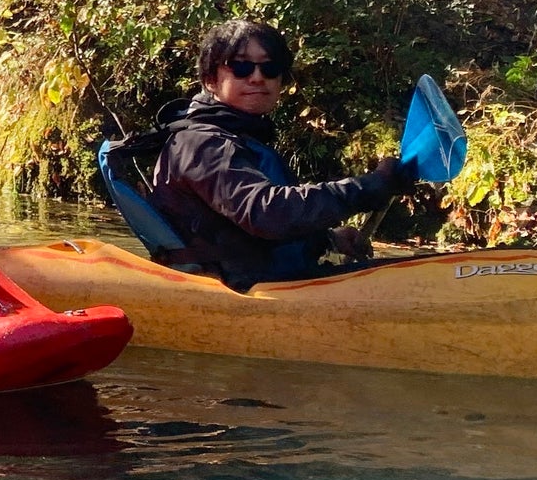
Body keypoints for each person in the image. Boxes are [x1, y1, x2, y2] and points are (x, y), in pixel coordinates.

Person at [146, 19, 414, 289]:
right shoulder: (202, 144)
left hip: (268, 282)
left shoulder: (237, 137)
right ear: (210, 80)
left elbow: (241, 231)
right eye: (240, 66)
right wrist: (366, 188)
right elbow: (268, 213)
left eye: (270, 67)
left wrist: (328, 240)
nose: (257, 77)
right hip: (240, 293)